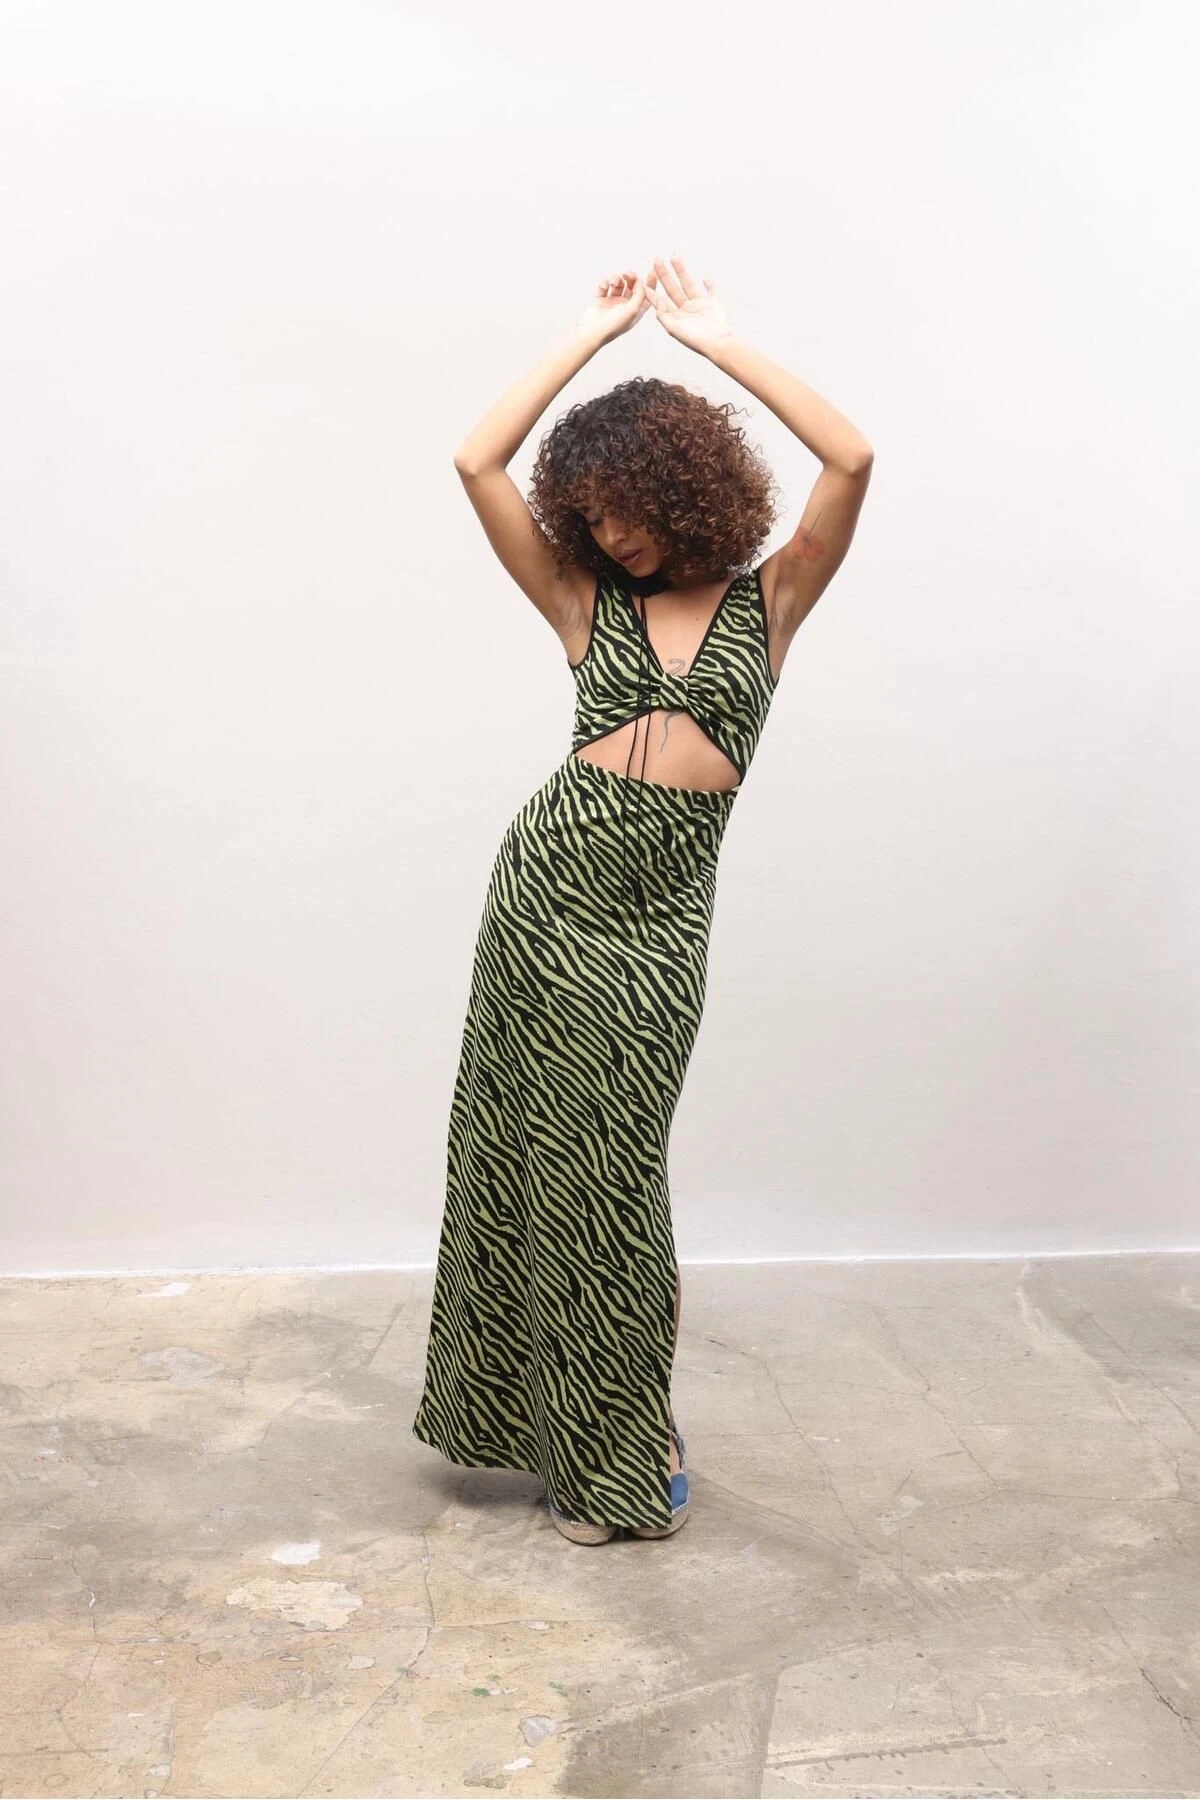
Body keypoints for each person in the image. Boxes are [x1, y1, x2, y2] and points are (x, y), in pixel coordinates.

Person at [412, 255, 874, 1545]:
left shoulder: (771, 601)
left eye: (631, 506)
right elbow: (475, 461)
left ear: (687, 487)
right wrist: (588, 338)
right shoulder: (581, 604)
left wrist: (715, 344)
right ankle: (578, 1437)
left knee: (617, 1176)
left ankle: (635, 1431)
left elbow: (850, 461)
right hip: (546, 899)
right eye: (594, 511)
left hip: (657, 923)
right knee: (535, 1163)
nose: (613, 534)